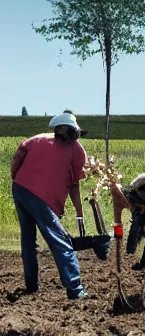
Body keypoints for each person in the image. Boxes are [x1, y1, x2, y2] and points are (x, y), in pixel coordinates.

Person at [10, 111, 88, 300]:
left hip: (20, 189)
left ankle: (31, 285)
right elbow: (74, 184)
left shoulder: (35, 140)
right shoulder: (76, 149)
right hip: (37, 196)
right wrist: (78, 211)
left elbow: (16, 162)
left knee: (28, 240)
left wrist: (20, 181)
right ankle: (75, 289)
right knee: (59, 240)